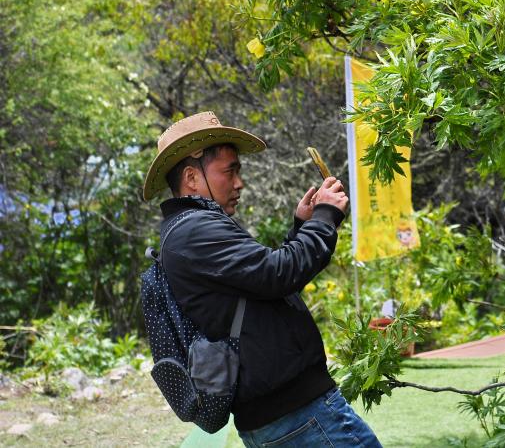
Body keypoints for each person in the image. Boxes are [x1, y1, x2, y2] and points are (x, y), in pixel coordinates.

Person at [142, 111, 381, 447]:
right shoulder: (195, 230)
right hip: (298, 416)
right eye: (230, 171)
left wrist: (303, 225)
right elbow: (278, 274)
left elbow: (263, 286)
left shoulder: (191, 228)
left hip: (283, 417)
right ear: (193, 178)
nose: (239, 183)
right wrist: (326, 216)